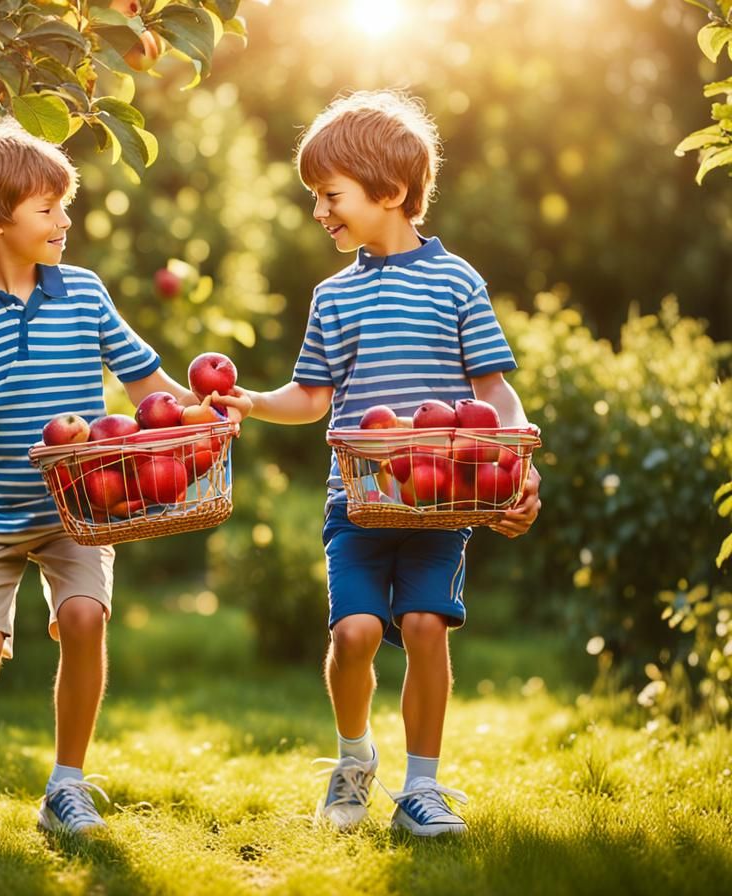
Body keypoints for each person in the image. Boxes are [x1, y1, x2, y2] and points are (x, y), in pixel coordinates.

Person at [216, 90, 541, 837]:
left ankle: (422, 787)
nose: (319, 210)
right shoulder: (333, 295)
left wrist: (518, 464)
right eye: (315, 197)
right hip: (358, 501)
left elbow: (493, 388)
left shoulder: (457, 282)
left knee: (427, 624)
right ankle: (355, 760)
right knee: (355, 633)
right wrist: (253, 402)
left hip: (441, 501)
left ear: (390, 193)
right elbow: (311, 395)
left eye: (330, 195)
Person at [0, 118, 210, 835]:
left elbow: (146, 384)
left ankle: (67, 785)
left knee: (83, 619)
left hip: (82, 503)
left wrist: (198, 414)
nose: (64, 220)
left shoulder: (83, 293)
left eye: (62, 205)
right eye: (47, 208)